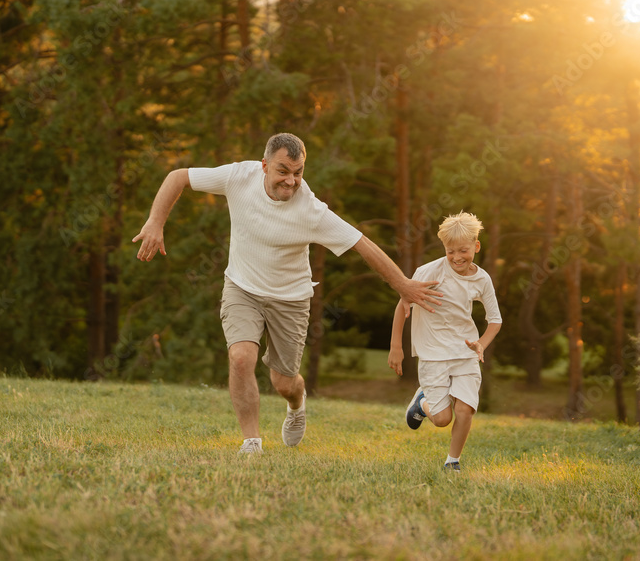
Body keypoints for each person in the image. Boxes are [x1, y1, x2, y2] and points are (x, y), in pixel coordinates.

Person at [133, 133, 442, 454]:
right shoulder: (238, 176)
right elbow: (178, 176)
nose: (291, 181)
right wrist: (156, 221)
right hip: (242, 288)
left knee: (284, 382)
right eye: (283, 171)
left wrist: (403, 285)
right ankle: (251, 442)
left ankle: (296, 404)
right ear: (264, 166)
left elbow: (362, 244)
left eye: (298, 172)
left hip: (290, 299)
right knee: (240, 358)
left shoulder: (311, 210)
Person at [387, 211, 502, 471]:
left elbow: (495, 320)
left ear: (476, 246)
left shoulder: (482, 279)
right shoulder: (429, 272)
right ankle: (422, 402)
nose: (457, 257)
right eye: (450, 251)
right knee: (441, 420)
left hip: (465, 353)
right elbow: (402, 306)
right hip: (433, 353)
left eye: (463, 250)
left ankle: (453, 462)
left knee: (465, 409)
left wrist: (481, 343)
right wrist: (396, 347)